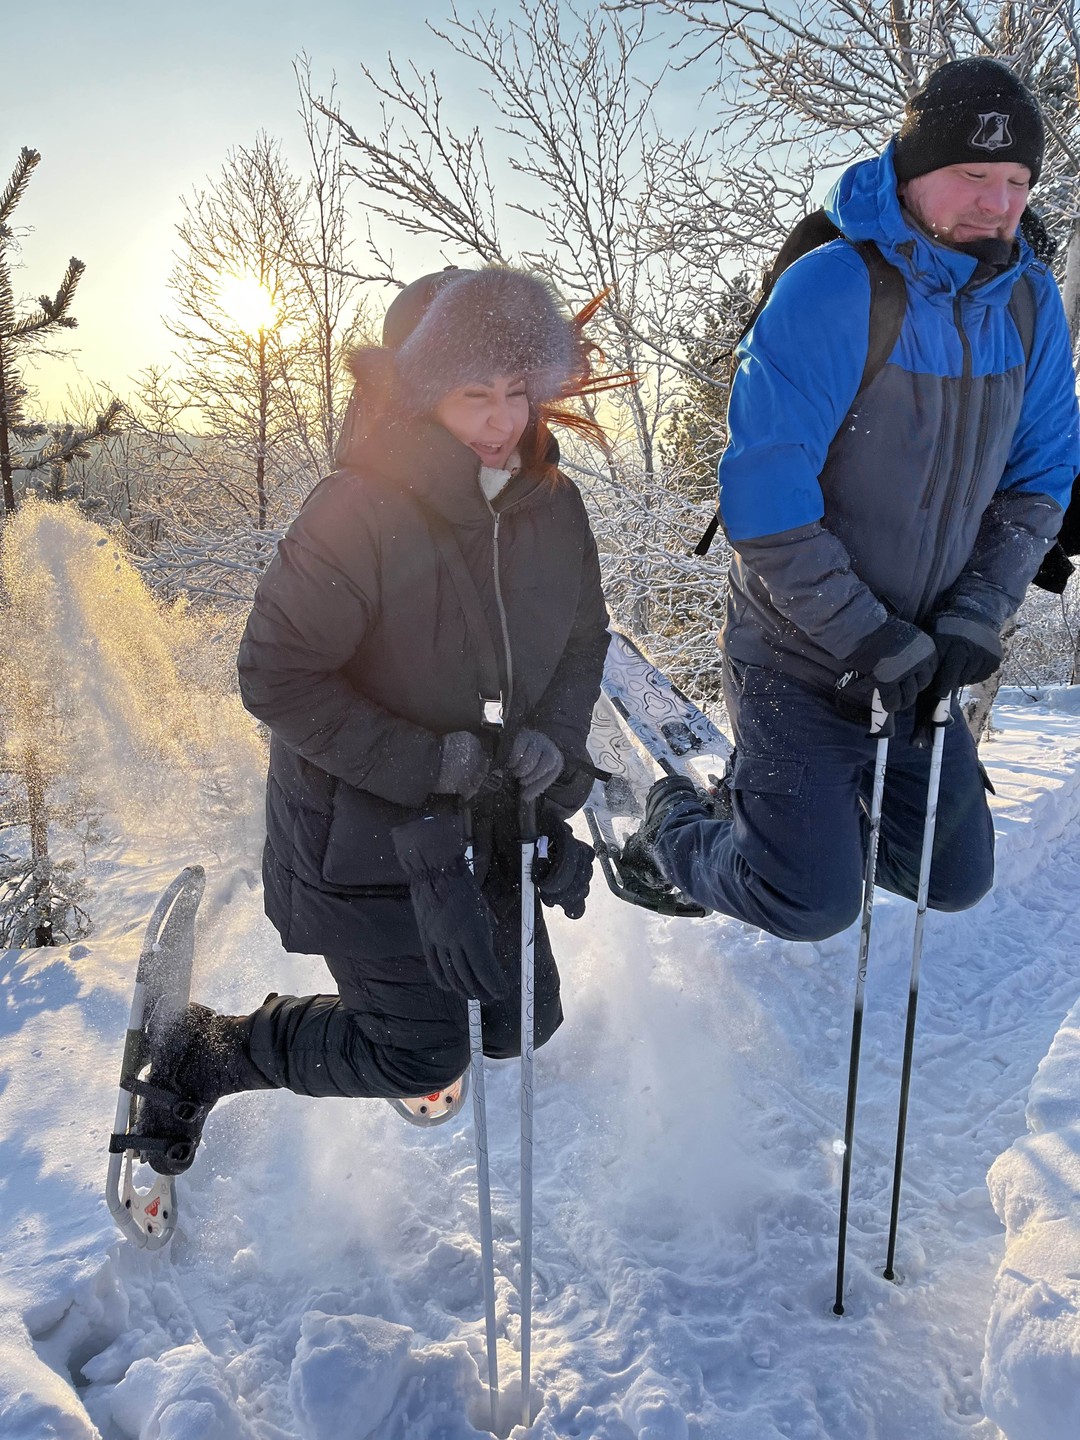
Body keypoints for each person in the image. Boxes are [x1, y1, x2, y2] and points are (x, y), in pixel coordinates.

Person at [130, 267, 613, 1174]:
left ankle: (417, 1017)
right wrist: (434, 763)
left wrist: (556, 740)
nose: (505, 420)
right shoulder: (357, 510)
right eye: (475, 394)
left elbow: (586, 637)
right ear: (420, 391)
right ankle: (211, 1049)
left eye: (518, 390)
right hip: (362, 841)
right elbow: (274, 676)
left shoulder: (553, 503)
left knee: (523, 1024)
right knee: (422, 1050)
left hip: (489, 827)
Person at [633, 58, 1080, 942]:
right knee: (812, 902)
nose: (998, 205)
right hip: (797, 649)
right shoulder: (835, 287)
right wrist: (866, 635)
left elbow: (1040, 482)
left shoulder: (1028, 301)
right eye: (973, 176)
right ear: (911, 173)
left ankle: (794, 823)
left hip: (924, 657)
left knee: (954, 880)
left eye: (1018, 182)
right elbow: (765, 500)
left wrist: (973, 619)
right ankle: (675, 832)